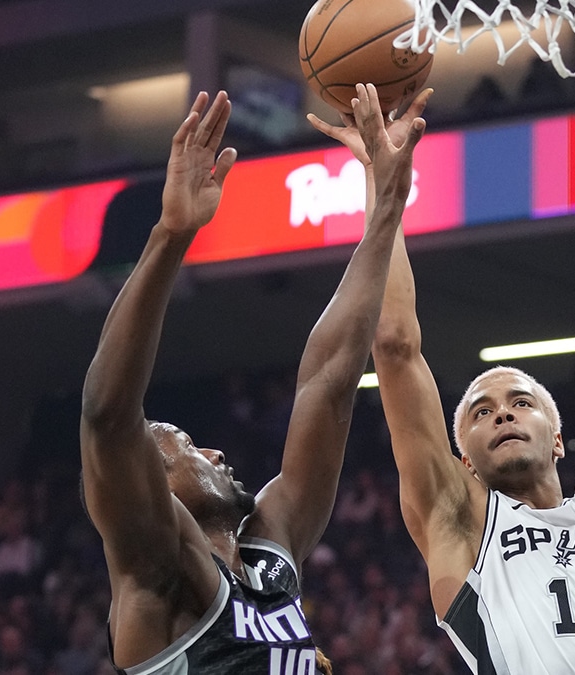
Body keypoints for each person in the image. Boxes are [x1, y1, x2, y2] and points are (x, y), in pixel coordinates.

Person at [313, 97, 575, 673]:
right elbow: (394, 345)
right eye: (479, 411)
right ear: (463, 460)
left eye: (521, 402)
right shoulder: (459, 515)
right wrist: (380, 179)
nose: (501, 414)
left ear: (559, 440)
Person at [80, 85, 426, 674]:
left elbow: (329, 380)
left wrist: (387, 201)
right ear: (151, 485)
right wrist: (170, 235)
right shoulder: (160, 569)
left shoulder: (270, 548)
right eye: (187, 448)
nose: (213, 450)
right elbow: (108, 416)